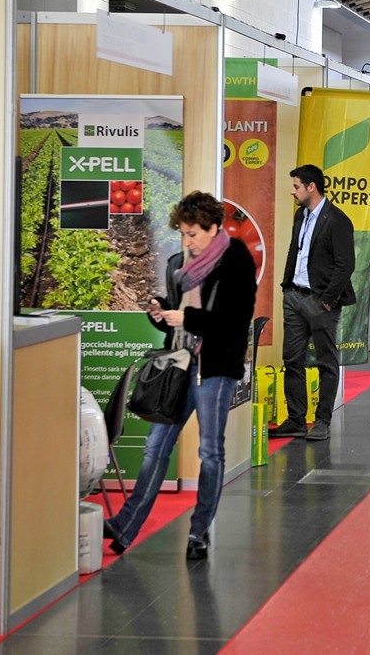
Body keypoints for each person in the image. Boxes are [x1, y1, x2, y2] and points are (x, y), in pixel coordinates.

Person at [103, 192, 257, 560]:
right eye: (183, 234)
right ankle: (126, 524)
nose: (187, 242)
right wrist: (161, 313)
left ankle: (199, 532)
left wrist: (186, 318)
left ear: (213, 228)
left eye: (193, 234)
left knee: (210, 452)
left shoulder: (236, 260)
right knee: (155, 447)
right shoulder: (179, 264)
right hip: (178, 366)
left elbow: (234, 323)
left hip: (216, 369)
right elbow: (173, 321)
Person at [270, 164, 356, 443]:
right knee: (292, 359)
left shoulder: (337, 219)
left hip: (320, 302)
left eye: (296, 186)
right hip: (294, 297)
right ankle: (296, 420)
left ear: (311, 187)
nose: (292, 191)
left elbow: (346, 265)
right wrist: (286, 287)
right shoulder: (301, 215)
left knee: (325, 362)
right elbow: (294, 252)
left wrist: (327, 301)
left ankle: (322, 421)